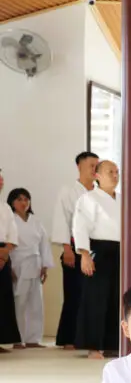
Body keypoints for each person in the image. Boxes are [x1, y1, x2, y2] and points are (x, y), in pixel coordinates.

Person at [73, 160, 120, 359]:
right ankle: (93, 346)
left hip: (121, 251)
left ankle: (112, 343)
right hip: (99, 250)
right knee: (96, 299)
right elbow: (80, 226)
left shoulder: (124, 199)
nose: (115, 175)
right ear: (97, 176)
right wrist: (84, 254)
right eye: (110, 171)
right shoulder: (89, 198)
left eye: (117, 172)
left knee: (117, 298)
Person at [52, 151, 98, 350]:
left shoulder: (100, 192)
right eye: (91, 166)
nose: (95, 170)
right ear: (79, 167)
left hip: (97, 249)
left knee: (93, 295)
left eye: (97, 166)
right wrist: (67, 249)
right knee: (74, 294)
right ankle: (68, 337)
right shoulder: (69, 191)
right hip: (75, 248)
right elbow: (62, 220)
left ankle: (89, 337)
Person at [8, 188, 53, 348]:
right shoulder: (10, 220)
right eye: (19, 199)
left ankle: (33, 338)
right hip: (18, 263)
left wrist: (45, 266)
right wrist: (9, 267)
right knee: (19, 303)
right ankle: (17, 339)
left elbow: (44, 245)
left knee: (36, 303)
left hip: (35, 263)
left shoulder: (36, 221)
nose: (24, 202)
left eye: (26, 199)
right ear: (12, 202)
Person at [0, 168, 20, 353]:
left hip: (3, 253)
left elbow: (12, 234)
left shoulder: (5, 207)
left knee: (3, 298)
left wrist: (4, 253)